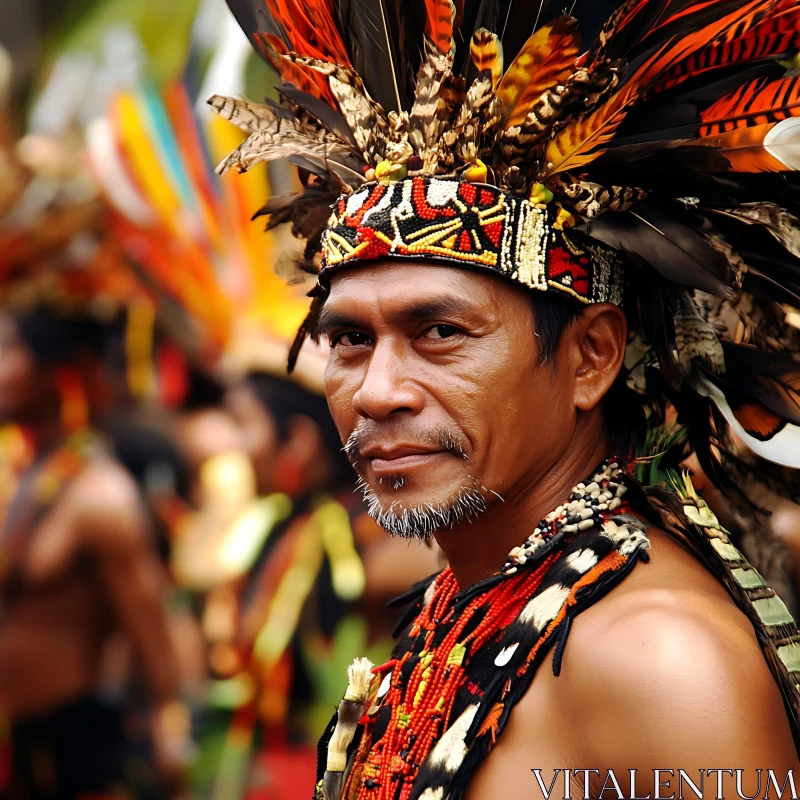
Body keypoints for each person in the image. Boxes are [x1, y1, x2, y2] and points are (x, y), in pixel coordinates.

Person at [210, 1, 800, 797]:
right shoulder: (470, 598)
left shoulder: (661, 663)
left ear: (592, 357)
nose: (378, 391)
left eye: (441, 331)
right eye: (349, 340)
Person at [0, 302, 187, 800]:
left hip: (73, 755)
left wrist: (171, 734)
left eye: (8, 349)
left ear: (58, 367)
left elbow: (154, 636)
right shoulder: (26, 472)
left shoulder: (101, 496)